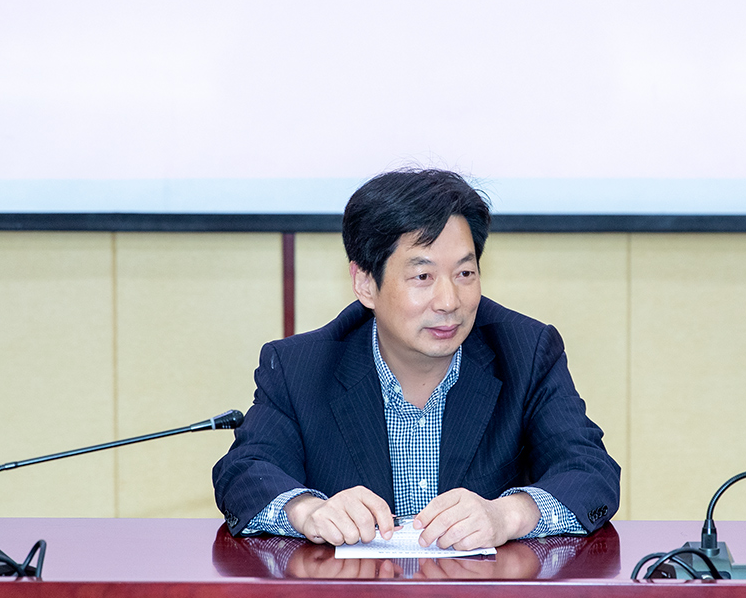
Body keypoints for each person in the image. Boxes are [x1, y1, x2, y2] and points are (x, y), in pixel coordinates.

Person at [213, 169, 620, 550]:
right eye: (422, 277)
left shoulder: (525, 352)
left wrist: (507, 515)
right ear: (365, 283)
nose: (449, 302)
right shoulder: (300, 367)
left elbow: (590, 472)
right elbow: (244, 473)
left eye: (465, 274)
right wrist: (307, 510)